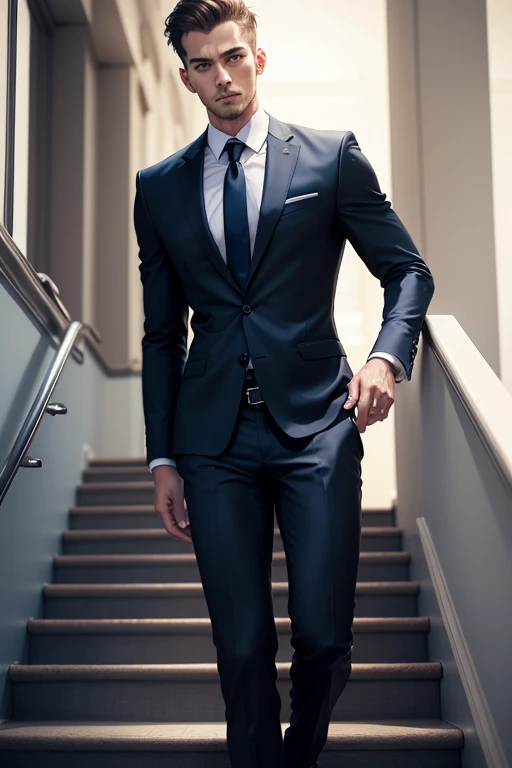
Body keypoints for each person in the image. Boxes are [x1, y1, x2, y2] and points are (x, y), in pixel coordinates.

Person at [133, 1, 435, 766]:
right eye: (204, 64)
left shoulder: (330, 159)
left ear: (258, 60)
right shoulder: (160, 189)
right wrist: (162, 458)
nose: (222, 75)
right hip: (211, 444)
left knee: (327, 636)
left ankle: (299, 752)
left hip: (318, 430)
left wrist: (383, 357)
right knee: (239, 648)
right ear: (185, 77)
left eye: (233, 57)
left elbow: (408, 271)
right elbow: (162, 336)